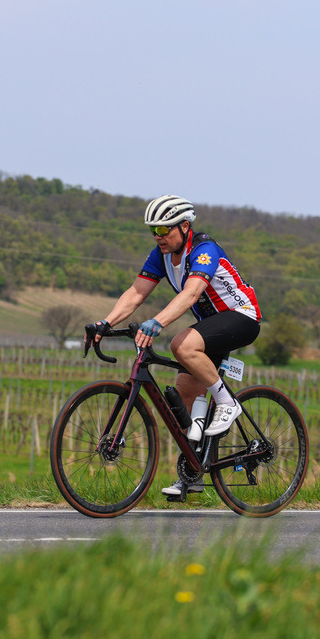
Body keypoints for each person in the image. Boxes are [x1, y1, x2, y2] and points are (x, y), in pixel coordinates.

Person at [91, 194, 261, 496]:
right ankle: (194, 471)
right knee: (182, 397)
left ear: (184, 227)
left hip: (240, 317)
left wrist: (157, 322)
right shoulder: (161, 255)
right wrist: (105, 323)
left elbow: (191, 294)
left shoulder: (205, 250)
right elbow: (136, 292)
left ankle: (227, 403)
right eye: (153, 231)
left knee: (182, 344)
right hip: (211, 326)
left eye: (163, 230)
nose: (158, 237)